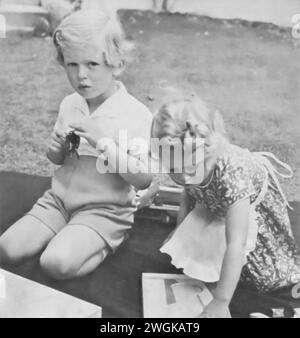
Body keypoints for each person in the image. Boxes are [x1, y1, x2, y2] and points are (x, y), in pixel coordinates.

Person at [0, 10, 153, 280]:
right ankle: (70, 233)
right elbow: (59, 160)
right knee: (8, 248)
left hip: (105, 209)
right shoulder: (70, 104)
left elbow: (142, 179)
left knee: (55, 263)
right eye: (72, 64)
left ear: (116, 64)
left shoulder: (135, 114)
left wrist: (103, 141)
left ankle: (107, 241)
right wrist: (56, 150)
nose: (81, 75)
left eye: (92, 64)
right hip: (59, 201)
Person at [150, 94, 300, 318]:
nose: (182, 176)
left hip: (248, 208)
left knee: (263, 277)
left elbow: (236, 243)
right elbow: (189, 194)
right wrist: (180, 233)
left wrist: (221, 302)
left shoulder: (232, 175)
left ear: (207, 150)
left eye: (189, 168)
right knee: (198, 250)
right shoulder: (188, 166)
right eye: (173, 169)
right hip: (215, 201)